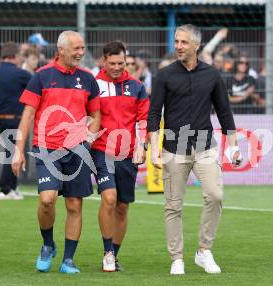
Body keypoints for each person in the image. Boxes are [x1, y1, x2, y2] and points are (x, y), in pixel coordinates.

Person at [147, 24, 242, 275]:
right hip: (173, 147)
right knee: (173, 205)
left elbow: (224, 112)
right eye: (176, 41)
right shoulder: (164, 75)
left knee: (215, 195)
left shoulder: (212, 75)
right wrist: (153, 149)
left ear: (197, 45)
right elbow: (154, 113)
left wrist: (233, 146)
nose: (178, 46)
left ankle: (204, 251)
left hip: (204, 145)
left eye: (184, 42)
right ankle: (176, 258)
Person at [12, 30, 101, 274]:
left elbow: (96, 115)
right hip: (46, 149)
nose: (81, 53)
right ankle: (48, 244)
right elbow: (27, 116)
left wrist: (89, 139)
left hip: (77, 150)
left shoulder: (88, 79)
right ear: (61, 50)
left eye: (83, 48)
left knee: (74, 205)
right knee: (47, 199)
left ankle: (68, 260)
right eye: (77, 49)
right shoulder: (41, 77)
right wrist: (18, 151)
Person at [92, 41, 149, 272]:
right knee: (109, 198)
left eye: (121, 63)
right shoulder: (93, 85)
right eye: (112, 63)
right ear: (103, 61)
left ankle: (114, 255)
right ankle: (107, 252)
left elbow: (143, 119)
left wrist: (142, 145)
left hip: (128, 153)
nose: (117, 67)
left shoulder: (137, 87)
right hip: (101, 150)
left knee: (123, 207)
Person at [0, 41, 32, 200]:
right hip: (16, 119)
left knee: (12, 151)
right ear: (15, 56)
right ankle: (5, 190)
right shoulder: (21, 74)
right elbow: (36, 86)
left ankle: (12, 187)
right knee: (13, 153)